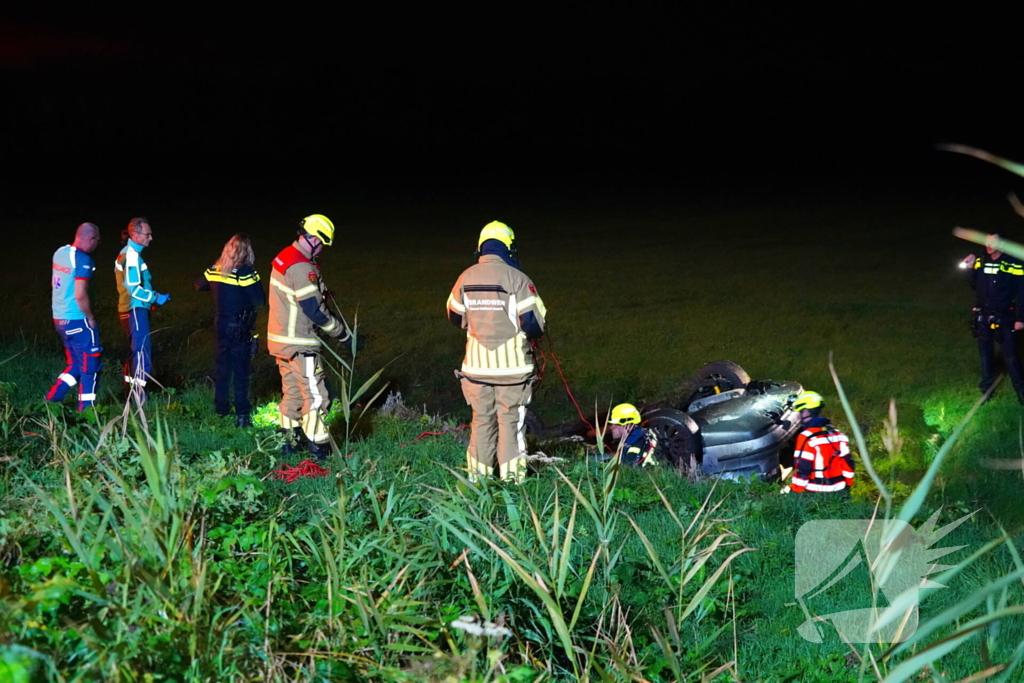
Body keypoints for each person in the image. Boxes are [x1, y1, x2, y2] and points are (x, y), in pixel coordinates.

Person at [446, 221, 547, 483]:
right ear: (508, 247)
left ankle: (477, 483)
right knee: (511, 425)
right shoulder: (518, 278)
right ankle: (512, 483)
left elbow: (454, 315)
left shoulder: (465, 277)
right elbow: (534, 323)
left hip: (476, 369)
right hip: (512, 370)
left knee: (481, 423)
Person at [267, 214, 353, 459]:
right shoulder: (302, 267)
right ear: (314, 239)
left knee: (292, 393)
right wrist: (344, 335)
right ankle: (319, 448)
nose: (323, 249)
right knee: (317, 396)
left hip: (280, 341)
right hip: (300, 344)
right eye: (323, 243)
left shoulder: (286, 256)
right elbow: (314, 310)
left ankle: (289, 443)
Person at [196, 233, 267, 427]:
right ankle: (242, 415)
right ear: (246, 251)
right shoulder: (245, 272)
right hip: (240, 327)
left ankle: (221, 410)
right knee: (241, 371)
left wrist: (217, 287)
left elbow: (198, 285)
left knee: (223, 369)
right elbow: (259, 301)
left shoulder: (215, 269)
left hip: (221, 324)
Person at [46, 223, 103, 410]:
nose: (97, 245)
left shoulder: (60, 253)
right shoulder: (83, 260)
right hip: (78, 319)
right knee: (91, 367)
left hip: (59, 318)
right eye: (97, 241)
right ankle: (87, 410)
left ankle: (53, 398)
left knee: (76, 364)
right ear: (91, 239)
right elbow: (80, 294)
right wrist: (90, 317)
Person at [962, 233, 1024, 403]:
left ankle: (1021, 390)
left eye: (993, 242)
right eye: (987, 242)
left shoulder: (1013, 263)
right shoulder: (981, 261)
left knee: (1011, 356)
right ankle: (986, 391)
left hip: (1005, 316)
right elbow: (975, 285)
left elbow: (1022, 292)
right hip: (983, 316)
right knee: (985, 355)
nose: (989, 245)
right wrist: (970, 268)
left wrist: (1021, 318)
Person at [115, 217, 170, 403]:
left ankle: (129, 392)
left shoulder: (129, 254)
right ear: (135, 234)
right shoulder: (131, 256)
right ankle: (139, 395)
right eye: (148, 234)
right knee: (141, 352)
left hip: (131, 308)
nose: (151, 238)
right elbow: (134, 289)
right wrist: (155, 297)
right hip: (134, 310)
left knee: (134, 352)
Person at [788, 391, 854, 494]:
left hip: (815, 489)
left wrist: (796, 490)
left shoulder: (806, 436)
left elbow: (803, 466)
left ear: (807, 411)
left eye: (801, 412)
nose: (799, 415)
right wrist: (849, 485)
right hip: (839, 488)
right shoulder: (839, 435)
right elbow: (847, 463)